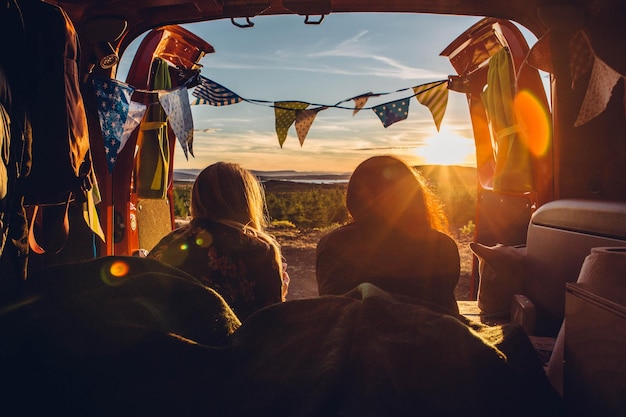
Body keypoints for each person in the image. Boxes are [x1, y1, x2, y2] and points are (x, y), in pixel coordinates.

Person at [315, 155, 460, 313]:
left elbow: (330, 309)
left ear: (353, 198)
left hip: (352, 336)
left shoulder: (331, 243)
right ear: (413, 196)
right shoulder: (442, 245)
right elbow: (446, 308)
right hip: (430, 335)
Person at [148, 162, 289, 321]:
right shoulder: (258, 249)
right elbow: (268, 323)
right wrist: (280, 291)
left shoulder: (170, 241)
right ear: (246, 201)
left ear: (197, 198)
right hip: (226, 344)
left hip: (160, 343)